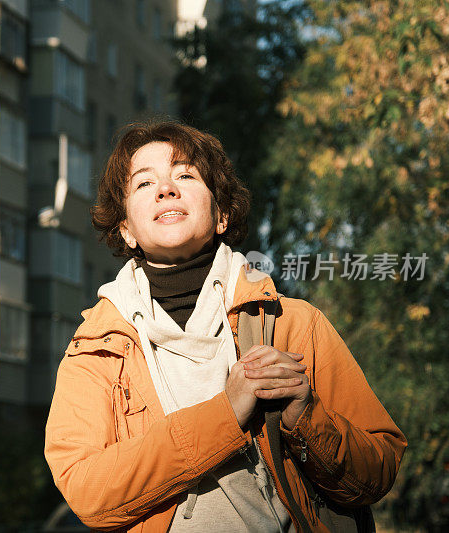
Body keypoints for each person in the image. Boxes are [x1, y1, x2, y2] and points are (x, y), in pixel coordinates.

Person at [44, 121, 406, 532]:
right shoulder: (97, 348)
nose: (166, 189)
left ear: (222, 214)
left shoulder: (293, 324)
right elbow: (87, 492)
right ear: (125, 229)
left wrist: (305, 416)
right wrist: (226, 414)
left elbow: (378, 471)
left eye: (184, 175)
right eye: (144, 184)